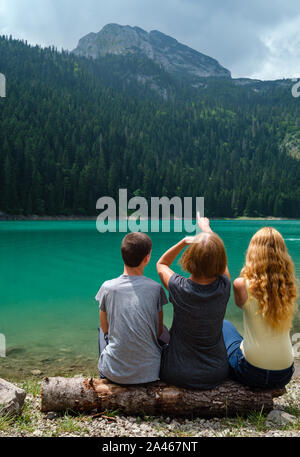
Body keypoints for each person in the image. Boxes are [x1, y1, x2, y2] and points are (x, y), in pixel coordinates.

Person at [157, 215, 231, 390]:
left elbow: (161, 264)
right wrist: (206, 230)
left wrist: (183, 242)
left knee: (161, 332)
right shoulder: (224, 286)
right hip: (216, 373)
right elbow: (222, 260)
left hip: (176, 372)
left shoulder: (178, 286)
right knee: (227, 326)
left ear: (189, 259)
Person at [223, 227, 298, 389]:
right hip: (285, 373)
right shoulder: (289, 287)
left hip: (251, 373)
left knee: (225, 326)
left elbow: (224, 280)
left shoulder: (241, 284)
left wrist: (209, 234)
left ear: (253, 252)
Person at [95, 232, 169, 385]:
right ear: (147, 258)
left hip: (113, 373)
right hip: (151, 373)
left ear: (122, 255)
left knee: (101, 329)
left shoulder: (107, 288)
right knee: (165, 329)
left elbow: (105, 328)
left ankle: (107, 372)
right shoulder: (155, 288)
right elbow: (158, 331)